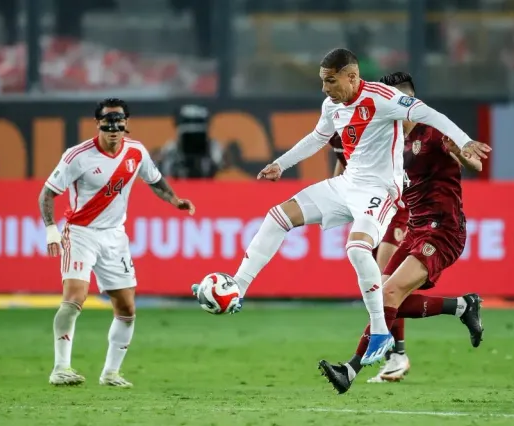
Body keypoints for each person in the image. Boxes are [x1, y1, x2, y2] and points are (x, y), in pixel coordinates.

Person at [193, 49, 489, 365]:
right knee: (278, 216)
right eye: (323, 82)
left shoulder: (382, 97)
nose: (325, 89)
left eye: (330, 81)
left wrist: (465, 140)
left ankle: (379, 333)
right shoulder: (332, 105)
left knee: (357, 250)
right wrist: (280, 164)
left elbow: (430, 114)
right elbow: (316, 138)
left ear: (351, 77)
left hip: (380, 190)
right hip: (347, 185)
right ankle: (238, 286)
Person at [318, 72, 485, 393]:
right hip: (415, 228)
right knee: (382, 295)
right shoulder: (388, 137)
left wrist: (460, 149)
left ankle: (351, 369)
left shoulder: (434, 133)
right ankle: (463, 307)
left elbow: (475, 165)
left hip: (443, 230)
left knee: (388, 295)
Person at [39, 98, 196, 387]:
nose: (113, 128)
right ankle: (61, 368)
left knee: (126, 309)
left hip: (115, 237)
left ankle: (111, 373)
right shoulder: (78, 156)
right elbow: (47, 193)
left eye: (119, 122)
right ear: (97, 124)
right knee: (74, 298)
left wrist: (175, 200)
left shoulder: (136, 152)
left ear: (126, 124)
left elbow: (156, 180)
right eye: (107, 122)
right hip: (81, 232)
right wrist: (51, 230)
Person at [329, 131, 411, 381]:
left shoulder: (377, 127)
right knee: (382, 287)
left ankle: (398, 355)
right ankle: (394, 355)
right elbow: (340, 175)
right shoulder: (336, 137)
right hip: (370, 215)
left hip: (395, 209)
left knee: (385, 285)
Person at [155, 104, 226, 179]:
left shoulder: (212, 147)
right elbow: (164, 171)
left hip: (205, 186)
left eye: (198, 122)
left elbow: (221, 165)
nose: (193, 128)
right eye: (187, 122)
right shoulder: (172, 148)